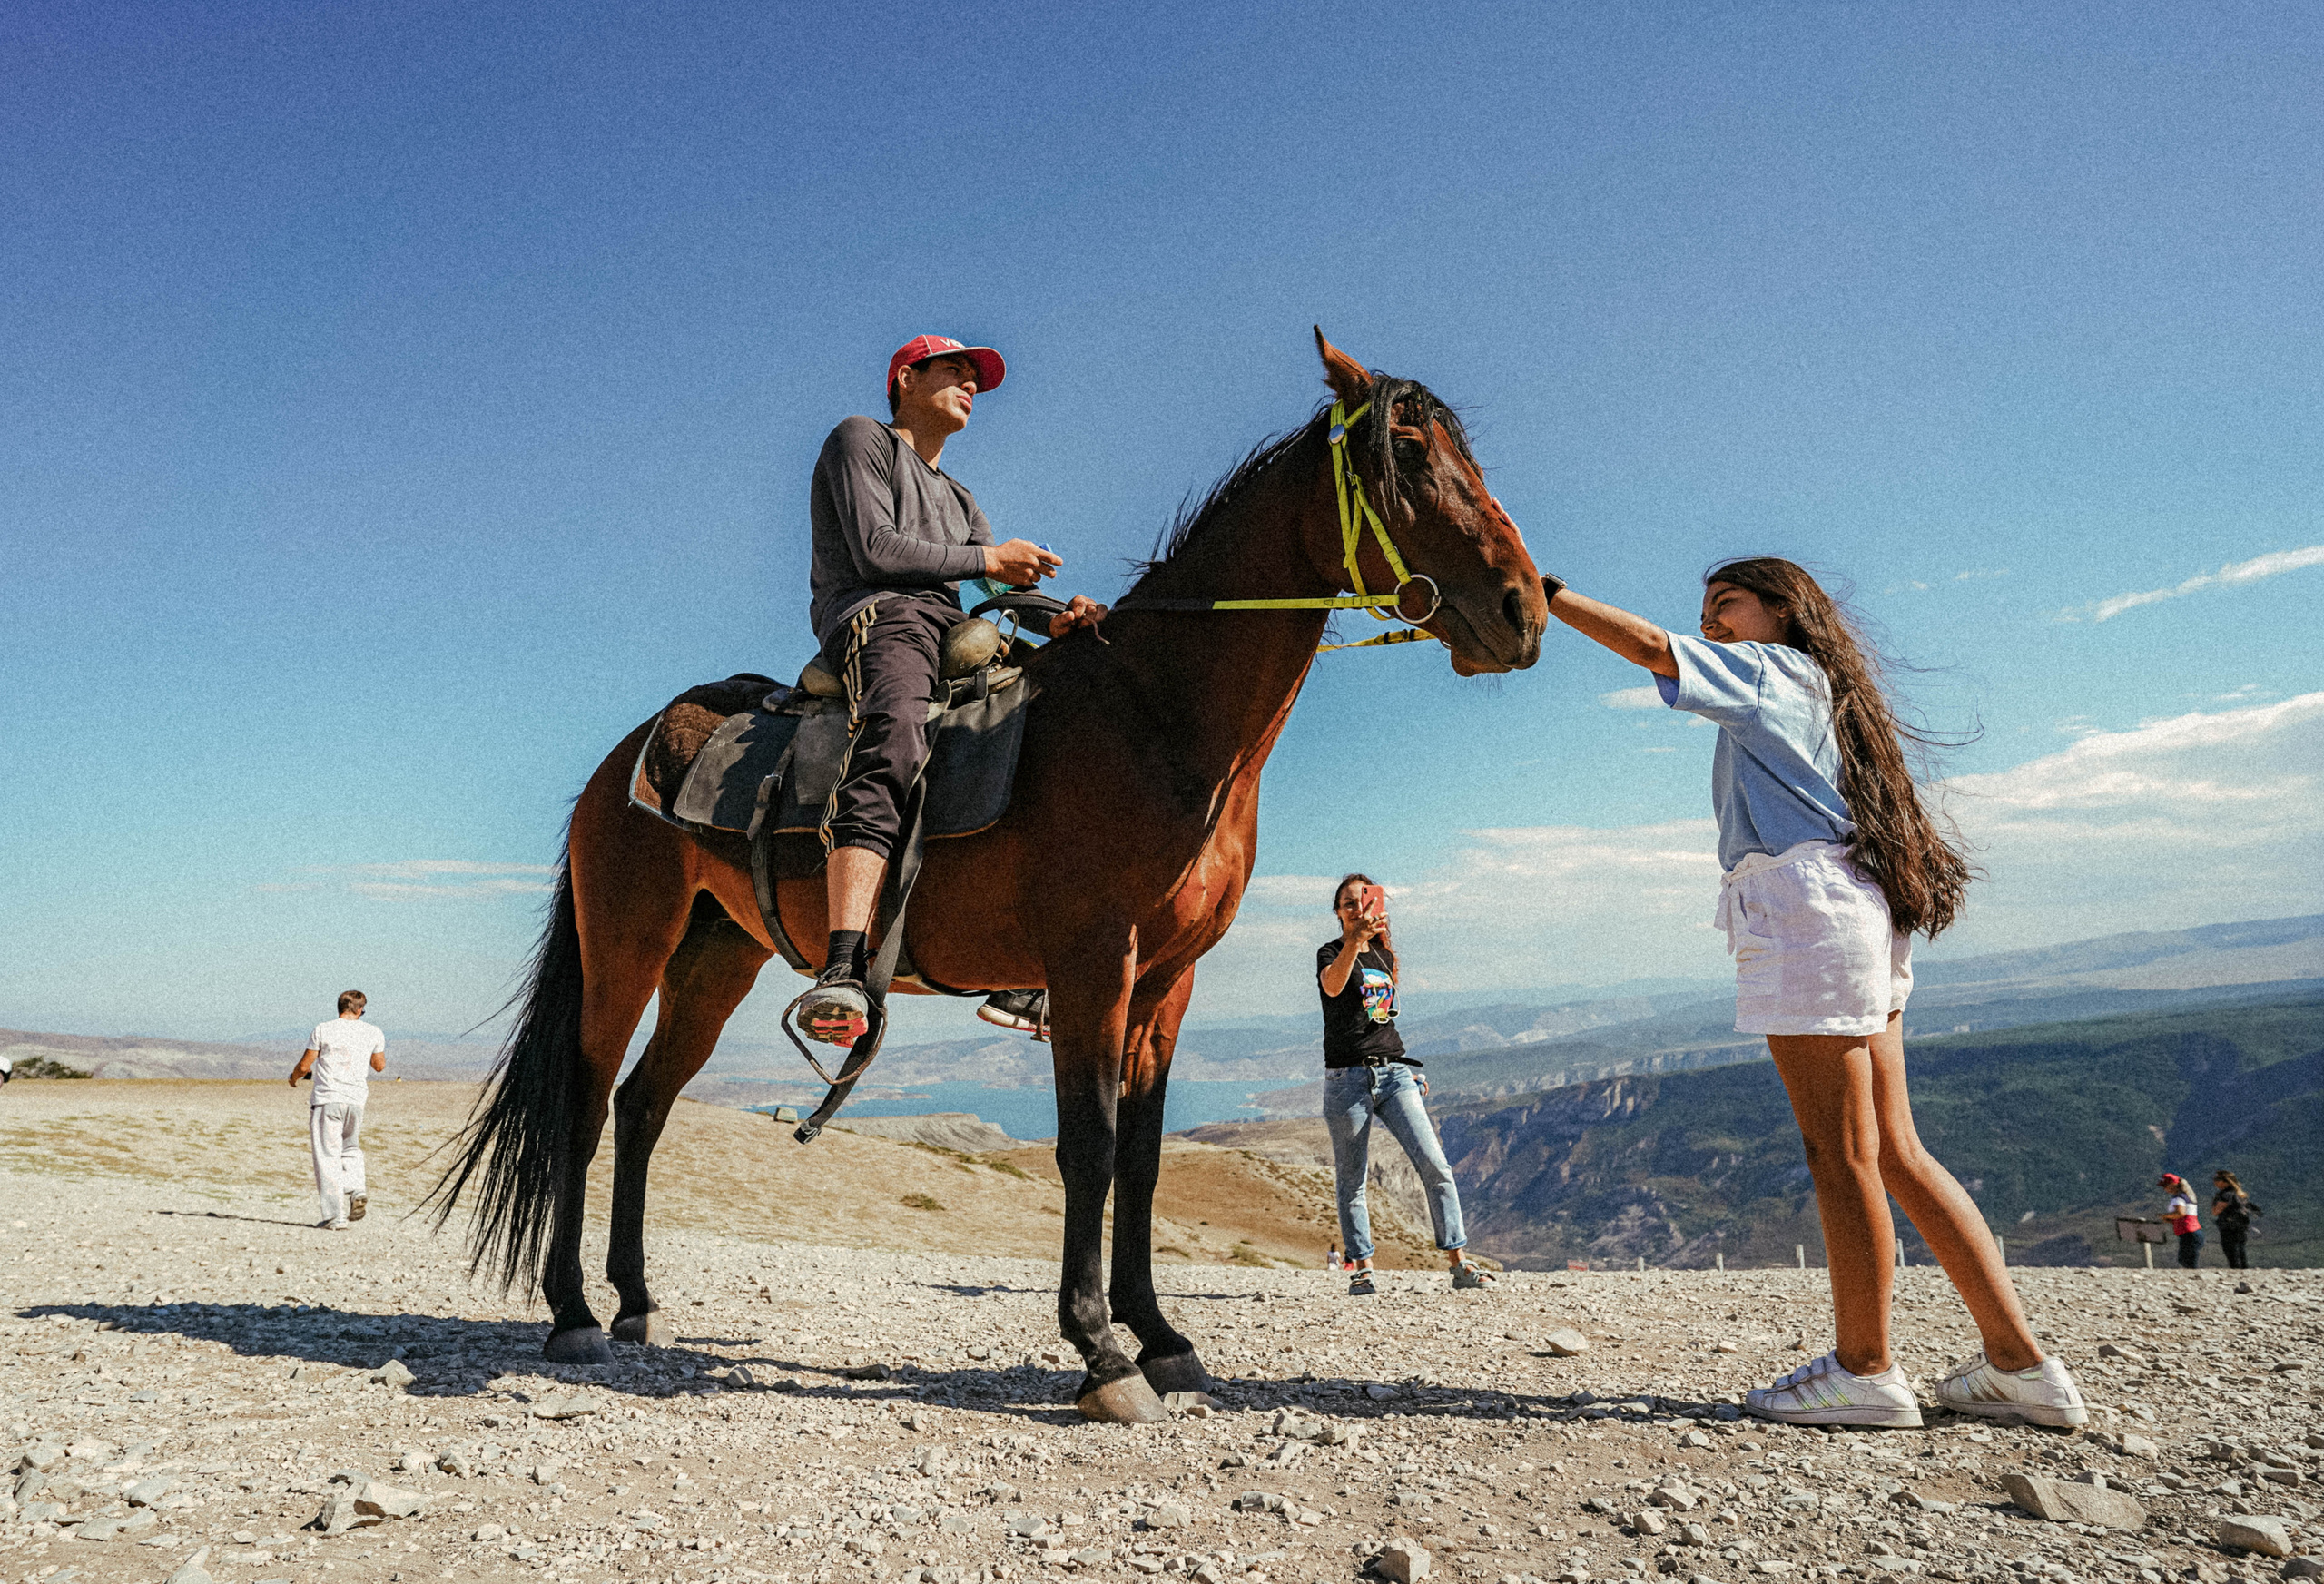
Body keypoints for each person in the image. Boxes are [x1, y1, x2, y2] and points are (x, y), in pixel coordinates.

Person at [1543, 557, 2086, 1428]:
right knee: (1899, 1151)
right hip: (1857, 907)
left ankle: (1867, 1370)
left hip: (1804, 910)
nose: (1712, 623)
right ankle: (2020, 1366)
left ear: (1784, 613)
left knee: (1841, 1152)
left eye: (1727, 605)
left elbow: (1653, 647)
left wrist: (1548, 596)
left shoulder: (1771, 670)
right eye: (1707, 610)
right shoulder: (1828, 687)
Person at [796, 335, 1108, 1046]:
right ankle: (841, 967)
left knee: (1047, 713)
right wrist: (989, 559)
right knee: (897, 726)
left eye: (976, 378)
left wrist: (1060, 619)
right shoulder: (860, 440)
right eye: (955, 371)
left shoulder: (961, 497)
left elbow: (998, 591)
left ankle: (1023, 973)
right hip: (875, 615)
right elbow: (877, 548)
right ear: (906, 378)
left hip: (949, 625)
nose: (970, 385)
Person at [1317, 873, 1493, 1296]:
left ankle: (1460, 1263)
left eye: (1364, 899)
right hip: (1347, 1081)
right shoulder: (1331, 952)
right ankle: (1362, 1267)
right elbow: (1333, 985)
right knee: (1351, 1180)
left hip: (1395, 1075)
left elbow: (1383, 1021)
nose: (1356, 907)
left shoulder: (1383, 955)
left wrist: (1406, 1069)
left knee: (1435, 1165)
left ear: (1376, 905)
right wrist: (1354, 942)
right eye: (1348, 903)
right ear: (1338, 912)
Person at [288, 991, 386, 1230]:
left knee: (327, 1154)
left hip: (328, 1098)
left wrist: (294, 1078)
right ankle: (356, 1188)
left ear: (339, 1007)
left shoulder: (324, 1029)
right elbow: (379, 1066)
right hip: (356, 1099)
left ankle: (335, 1216)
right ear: (361, 1009)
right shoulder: (374, 1032)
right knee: (351, 1146)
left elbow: (304, 1064)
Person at [2211, 1170, 2260, 1270]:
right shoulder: (2238, 1194)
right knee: (2240, 1251)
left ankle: (2236, 1273)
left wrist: (2214, 1203)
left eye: (2217, 1179)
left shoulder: (2225, 1194)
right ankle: (2244, 1272)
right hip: (2241, 1227)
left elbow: (2216, 1211)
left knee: (2231, 1252)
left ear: (2226, 1181)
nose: (2214, 1181)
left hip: (2228, 1227)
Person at [2161, 1173, 2205, 1269]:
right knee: (2186, 1259)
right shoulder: (2188, 1197)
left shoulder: (2178, 1198)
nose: (2164, 1189)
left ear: (2172, 1185)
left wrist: (2165, 1216)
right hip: (2193, 1232)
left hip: (2188, 1232)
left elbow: (2181, 1213)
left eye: (2165, 1186)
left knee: (2186, 1260)